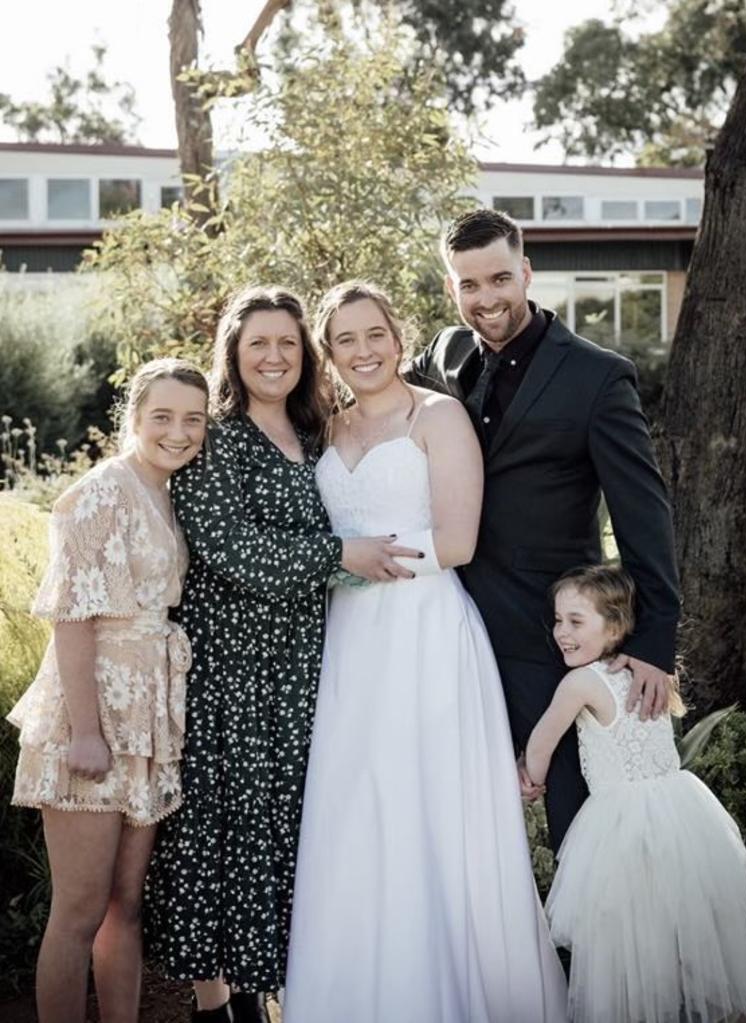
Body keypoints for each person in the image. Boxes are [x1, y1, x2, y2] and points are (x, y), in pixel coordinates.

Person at [283, 281, 568, 1023]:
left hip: (426, 634)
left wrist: (350, 561)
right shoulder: (328, 428)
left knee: (430, 810)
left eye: (373, 332)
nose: (363, 350)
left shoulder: (437, 416)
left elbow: (459, 540)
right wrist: (337, 565)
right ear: (330, 351)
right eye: (345, 339)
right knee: (355, 810)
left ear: (396, 334)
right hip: (350, 646)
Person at [144, 286, 419, 1023]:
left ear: (308, 356)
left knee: (287, 829)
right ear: (235, 351)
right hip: (231, 668)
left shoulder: (318, 432)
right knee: (220, 830)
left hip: (303, 665)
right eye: (259, 342)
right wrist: (342, 555)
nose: (274, 356)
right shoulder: (219, 436)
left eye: (289, 344)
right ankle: (214, 1004)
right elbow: (231, 550)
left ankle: (281, 993)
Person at [406, 207, 681, 849]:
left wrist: (654, 638)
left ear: (526, 273)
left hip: (548, 623)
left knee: (569, 796)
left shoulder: (596, 376)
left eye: (500, 279)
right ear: (452, 288)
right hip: (448, 613)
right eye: (469, 285)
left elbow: (643, 510)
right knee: (461, 793)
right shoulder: (443, 355)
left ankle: (589, 943)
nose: (486, 299)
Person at [7, 358, 209, 1023]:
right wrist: (87, 734)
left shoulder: (169, 491)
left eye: (192, 419)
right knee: (78, 909)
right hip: (89, 718)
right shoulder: (100, 491)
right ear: (133, 417)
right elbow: (71, 616)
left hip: (146, 717)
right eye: (162, 416)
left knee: (125, 905)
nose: (177, 432)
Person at [524, 564, 746, 1023]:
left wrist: (531, 778)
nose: (562, 633)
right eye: (558, 620)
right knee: (689, 929)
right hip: (681, 813)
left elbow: (542, 741)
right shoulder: (647, 672)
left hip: (620, 824)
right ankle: (718, 1010)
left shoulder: (579, 683)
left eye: (576, 621)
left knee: (630, 935)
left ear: (614, 626)